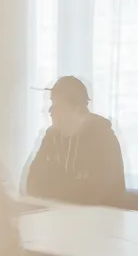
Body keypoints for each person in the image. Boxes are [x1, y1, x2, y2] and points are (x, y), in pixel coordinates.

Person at [25, 75, 126, 207]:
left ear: (76, 108)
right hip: (57, 216)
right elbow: (32, 183)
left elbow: (97, 194)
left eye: (56, 104)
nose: (50, 110)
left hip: (97, 221)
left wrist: (55, 187)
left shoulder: (103, 139)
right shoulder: (52, 137)